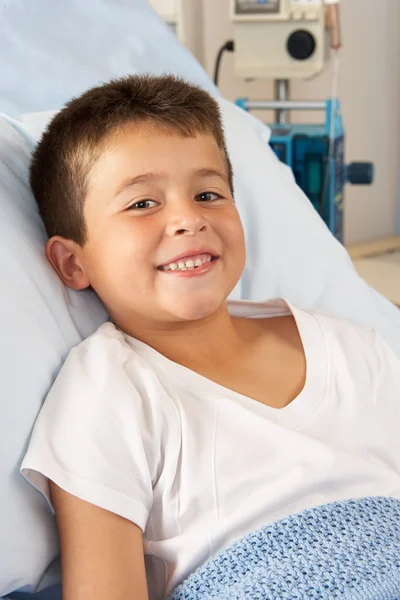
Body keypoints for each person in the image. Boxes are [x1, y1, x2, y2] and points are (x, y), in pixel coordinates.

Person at [21, 74, 400, 600]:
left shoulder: (354, 349)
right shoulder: (109, 393)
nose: (188, 219)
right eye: (142, 204)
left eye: (207, 193)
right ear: (72, 261)